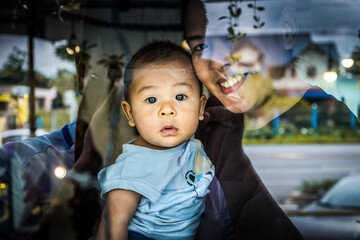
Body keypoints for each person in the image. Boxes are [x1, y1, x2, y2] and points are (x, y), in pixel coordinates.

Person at [182, 0, 305, 239]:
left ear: (287, 30)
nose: (216, 61)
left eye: (233, 35)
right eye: (200, 46)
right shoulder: (200, 129)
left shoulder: (347, 131)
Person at [95, 41, 216, 240]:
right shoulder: (135, 167)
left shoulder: (191, 145)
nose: (167, 109)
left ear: (201, 107)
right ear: (130, 112)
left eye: (180, 96)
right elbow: (112, 225)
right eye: (152, 100)